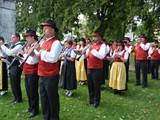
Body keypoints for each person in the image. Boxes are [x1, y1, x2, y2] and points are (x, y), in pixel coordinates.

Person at [34, 20, 62, 120]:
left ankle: (54, 117)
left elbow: (53, 58)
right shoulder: (44, 42)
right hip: (42, 73)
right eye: (43, 28)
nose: (43, 30)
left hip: (51, 75)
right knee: (44, 97)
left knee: (52, 98)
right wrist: (35, 53)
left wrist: (40, 51)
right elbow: (41, 56)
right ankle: (46, 117)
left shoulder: (56, 43)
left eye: (46, 28)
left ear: (53, 30)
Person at [20, 30, 39, 118]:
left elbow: (34, 60)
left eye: (28, 37)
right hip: (27, 71)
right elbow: (27, 59)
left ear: (32, 37)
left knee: (33, 91)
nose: (26, 39)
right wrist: (21, 57)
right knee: (28, 90)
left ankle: (35, 109)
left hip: (33, 71)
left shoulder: (36, 46)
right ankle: (31, 106)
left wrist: (23, 54)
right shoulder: (29, 46)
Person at [85, 30, 107, 108]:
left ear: (100, 37)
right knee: (90, 85)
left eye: (95, 36)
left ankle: (97, 101)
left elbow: (101, 56)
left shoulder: (103, 46)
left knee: (96, 86)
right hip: (89, 67)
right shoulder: (92, 45)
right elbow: (88, 54)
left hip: (97, 68)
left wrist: (91, 50)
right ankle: (91, 100)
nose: (93, 38)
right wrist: (85, 54)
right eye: (93, 36)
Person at [0, 33, 23, 104]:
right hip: (11, 66)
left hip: (16, 66)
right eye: (12, 37)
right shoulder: (12, 45)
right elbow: (6, 54)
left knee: (16, 83)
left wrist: (3, 45)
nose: (11, 39)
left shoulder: (19, 46)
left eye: (13, 37)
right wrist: (1, 49)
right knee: (12, 83)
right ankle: (15, 97)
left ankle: (18, 98)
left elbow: (10, 53)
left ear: (18, 38)